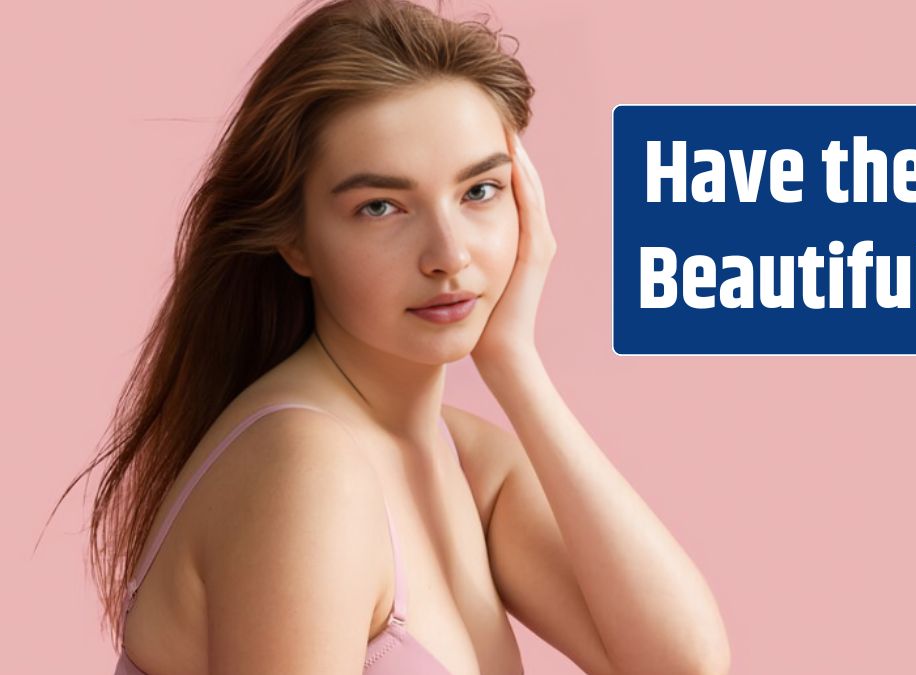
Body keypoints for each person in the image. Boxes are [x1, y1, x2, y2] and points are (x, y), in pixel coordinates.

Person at [50, 0, 730, 672]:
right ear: (294, 237)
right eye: (381, 207)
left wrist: (514, 363)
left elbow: (681, 664)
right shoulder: (306, 471)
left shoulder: (458, 455)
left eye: (480, 191)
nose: (449, 254)